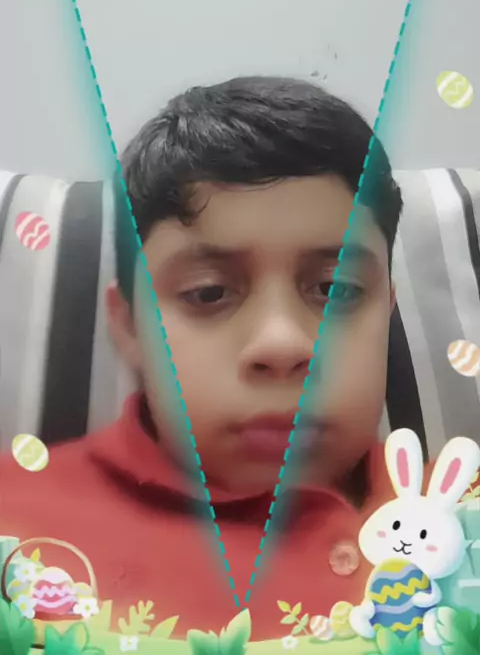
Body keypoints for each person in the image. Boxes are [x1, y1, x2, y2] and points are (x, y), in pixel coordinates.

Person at [0, 77, 414, 640]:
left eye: (334, 289)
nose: (281, 345)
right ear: (129, 325)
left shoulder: (460, 513)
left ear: (386, 311)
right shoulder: (14, 521)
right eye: (209, 292)